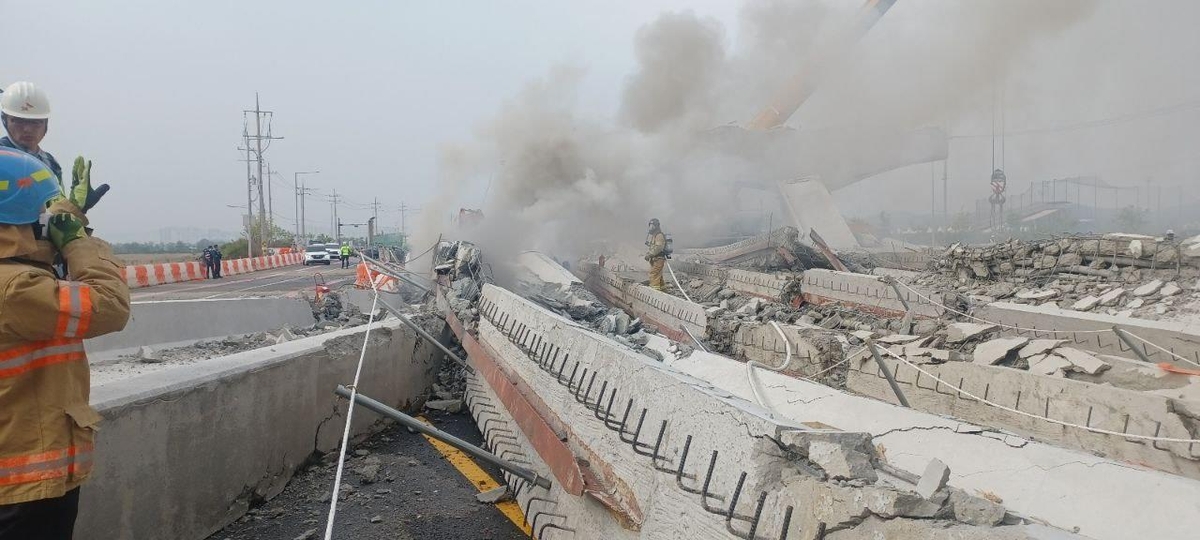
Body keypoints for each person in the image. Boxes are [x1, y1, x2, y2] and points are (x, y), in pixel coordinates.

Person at [0, 148, 130, 539]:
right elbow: (110, 305)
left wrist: (67, 211)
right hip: (23, 491)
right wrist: (76, 241)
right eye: (46, 215)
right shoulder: (18, 289)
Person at [0, 82, 62, 184]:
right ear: (5, 121)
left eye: (35, 122)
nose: (27, 129)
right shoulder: (2, 156)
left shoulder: (51, 164)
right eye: (18, 121)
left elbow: (56, 199)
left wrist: (77, 200)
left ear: (45, 124)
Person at [645, 218, 667, 291]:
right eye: (650, 226)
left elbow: (658, 247)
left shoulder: (659, 235)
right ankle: (663, 291)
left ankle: (654, 291)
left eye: (652, 226)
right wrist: (648, 253)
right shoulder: (654, 236)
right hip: (655, 259)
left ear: (656, 226)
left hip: (659, 259)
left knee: (653, 274)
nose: (651, 228)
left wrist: (650, 255)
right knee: (659, 276)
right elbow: (653, 247)